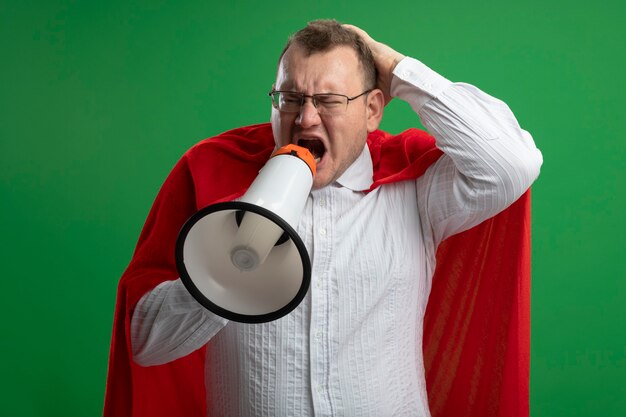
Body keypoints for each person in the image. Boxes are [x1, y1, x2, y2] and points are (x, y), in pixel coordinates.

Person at [104, 19, 542, 417]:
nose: (305, 118)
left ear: (372, 110)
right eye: (290, 98)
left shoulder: (415, 189)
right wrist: (225, 269)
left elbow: (511, 163)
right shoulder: (210, 176)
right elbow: (145, 342)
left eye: (329, 100)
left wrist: (396, 69)